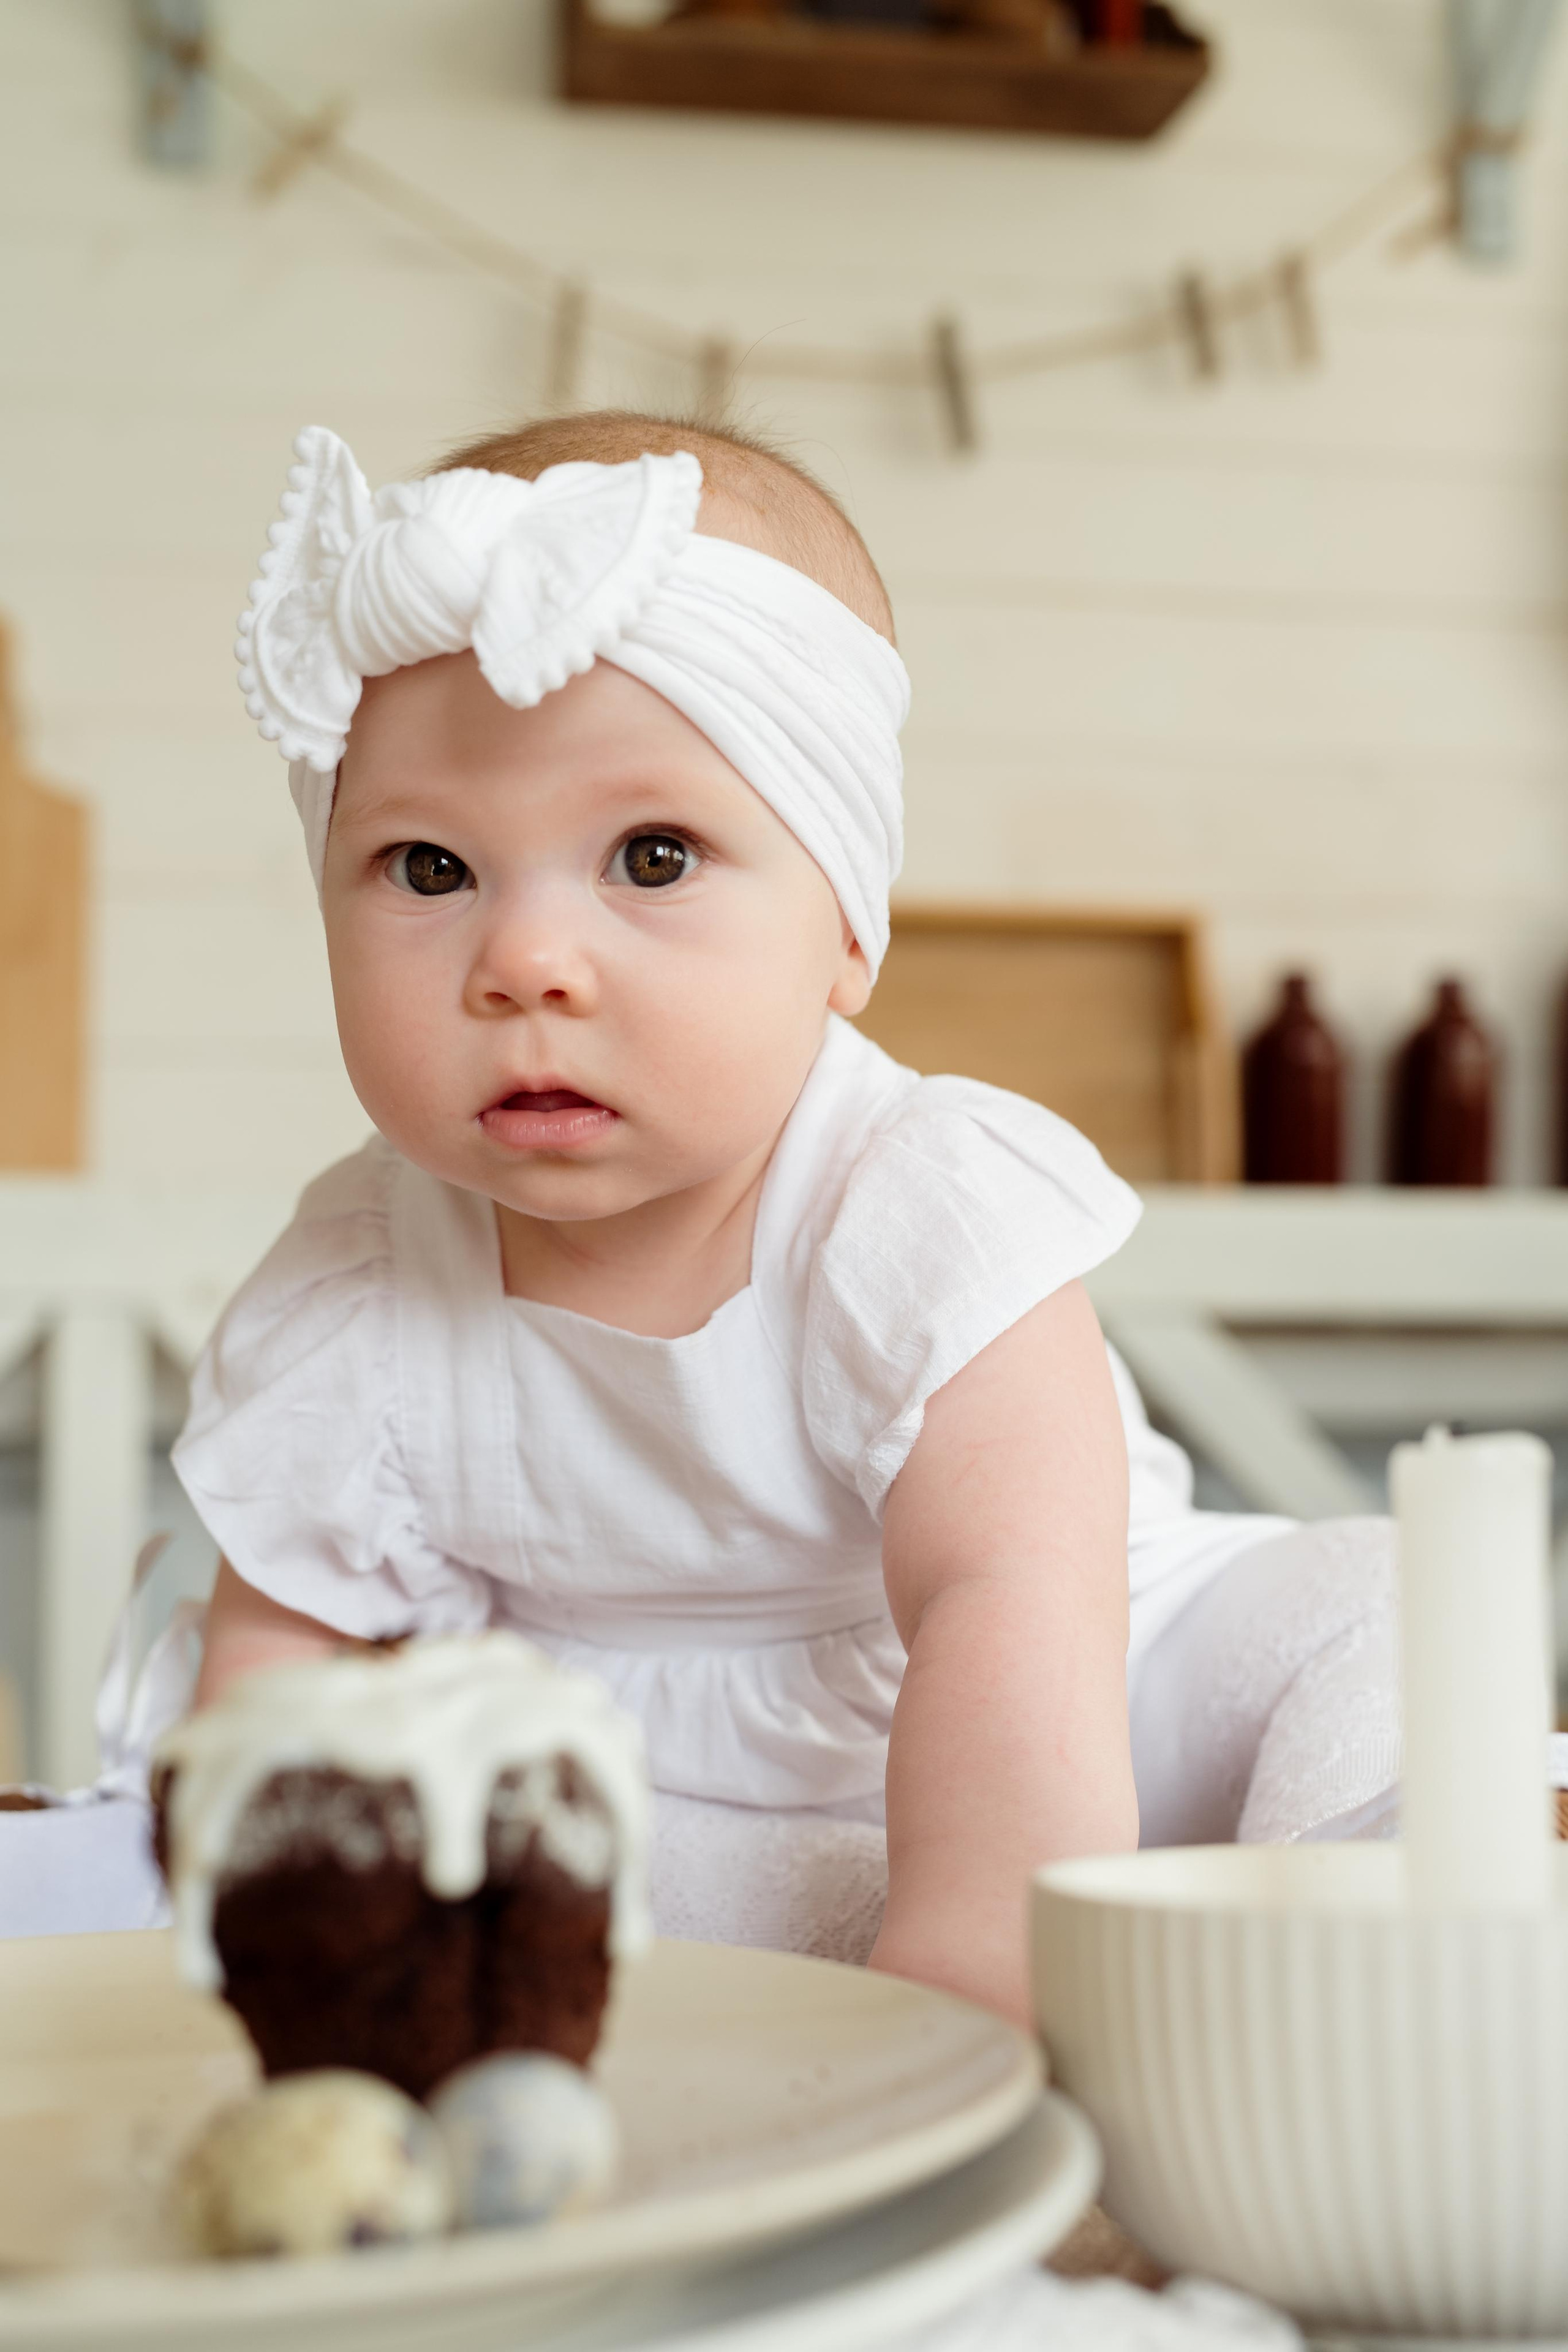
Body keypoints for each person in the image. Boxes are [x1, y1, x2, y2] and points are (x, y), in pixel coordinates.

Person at [9, 413, 1403, 2017]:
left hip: (1089, 1740)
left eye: (650, 856)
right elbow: (276, 1667)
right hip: (665, 1816)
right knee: (505, 1854)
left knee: (1371, 1608)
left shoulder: (915, 1206)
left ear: (845, 931)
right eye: (429, 866)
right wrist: (266, 1930)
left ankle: (1358, 1959)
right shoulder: (364, 1283)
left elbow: (1009, 1596)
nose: (525, 958)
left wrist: (976, 1959)